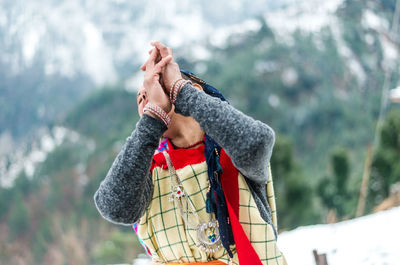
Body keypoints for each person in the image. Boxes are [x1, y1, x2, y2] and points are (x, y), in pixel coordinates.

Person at [94, 41, 287, 265]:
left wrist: (179, 89)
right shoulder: (150, 170)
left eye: (158, 87)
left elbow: (255, 142)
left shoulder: (230, 151)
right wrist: (154, 117)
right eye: (142, 99)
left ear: (192, 92)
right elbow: (114, 207)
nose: (148, 101)